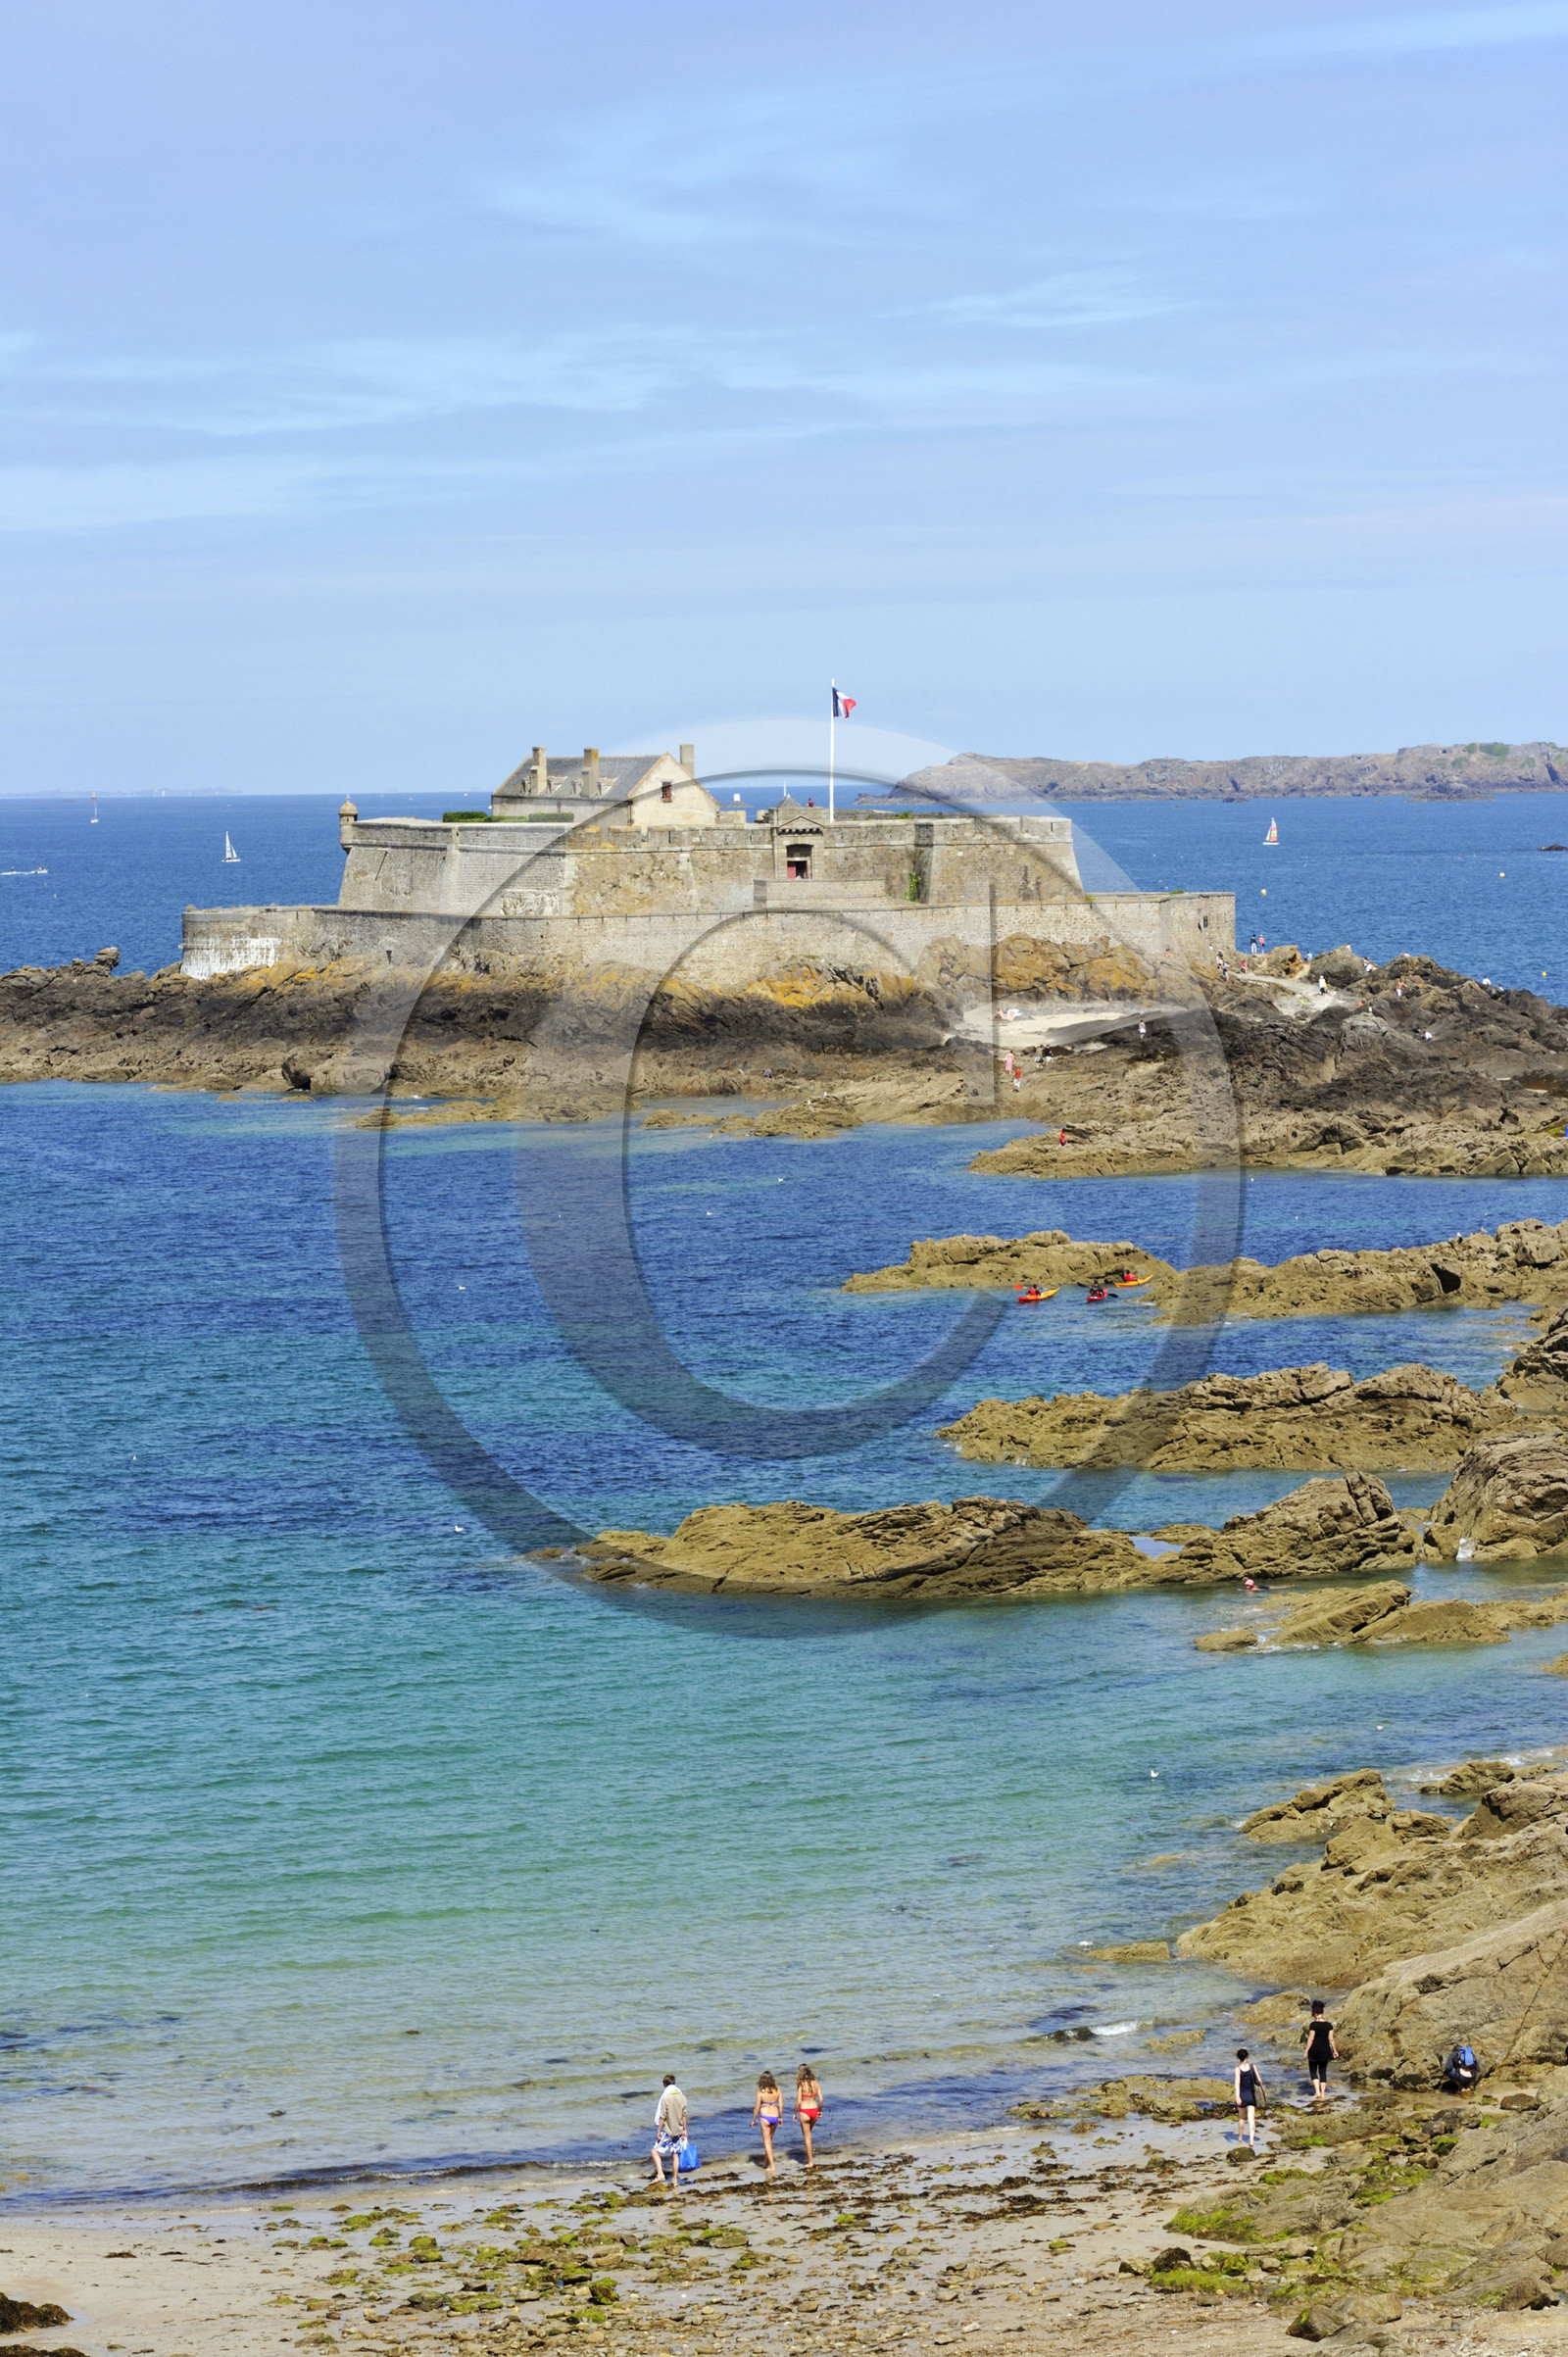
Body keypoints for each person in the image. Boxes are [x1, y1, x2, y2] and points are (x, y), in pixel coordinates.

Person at [652, 2073, 689, 2188]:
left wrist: (658, 2130)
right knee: (675, 2155)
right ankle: (675, 2179)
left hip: (668, 2131)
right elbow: (684, 2115)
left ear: (665, 2084)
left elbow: (662, 2116)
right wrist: (685, 2129)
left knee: (654, 2151)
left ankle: (660, 2174)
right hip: (678, 2130)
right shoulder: (682, 2097)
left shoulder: (666, 2098)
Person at [1301, 2001, 1338, 2102]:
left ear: (1314, 2012)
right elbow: (1331, 2039)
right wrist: (1335, 2051)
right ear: (1322, 2011)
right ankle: (1323, 2094)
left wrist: (1306, 2051)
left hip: (1314, 2051)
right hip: (1325, 2051)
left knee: (1313, 2071)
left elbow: (1311, 2039)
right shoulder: (1329, 2025)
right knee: (1323, 2072)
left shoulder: (1313, 2025)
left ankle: (1317, 2092)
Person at [752, 2071, 783, 2179]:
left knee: (766, 2141)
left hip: (765, 2117)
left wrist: (753, 2119)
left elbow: (756, 2108)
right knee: (770, 2140)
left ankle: (772, 2165)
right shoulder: (777, 2090)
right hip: (775, 2116)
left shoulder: (760, 2092)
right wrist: (780, 2117)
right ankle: (765, 2161)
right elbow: (781, 2106)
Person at [1233, 2047, 1263, 2150]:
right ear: (1247, 2056)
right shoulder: (1252, 2067)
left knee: (1242, 2118)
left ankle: (1240, 2137)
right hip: (1251, 2096)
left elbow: (1237, 2083)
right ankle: (1251, 2140)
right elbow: (1259, 2081)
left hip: (1242, 2096)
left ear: (1238, 2058)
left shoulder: (1237, 2069)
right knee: (1251, 2119)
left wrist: (1237, 2097)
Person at [795, 2064, 823, 2169]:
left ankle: (810, 2162)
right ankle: (809, 2157)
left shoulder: (801, 2084)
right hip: (814, 2110)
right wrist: (820, 2110)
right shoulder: (816, 2083)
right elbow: (821, 2099)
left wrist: (794, 2113)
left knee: (807, 2137)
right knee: (808, 2135)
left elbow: (798, 2102)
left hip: (805, 2111)